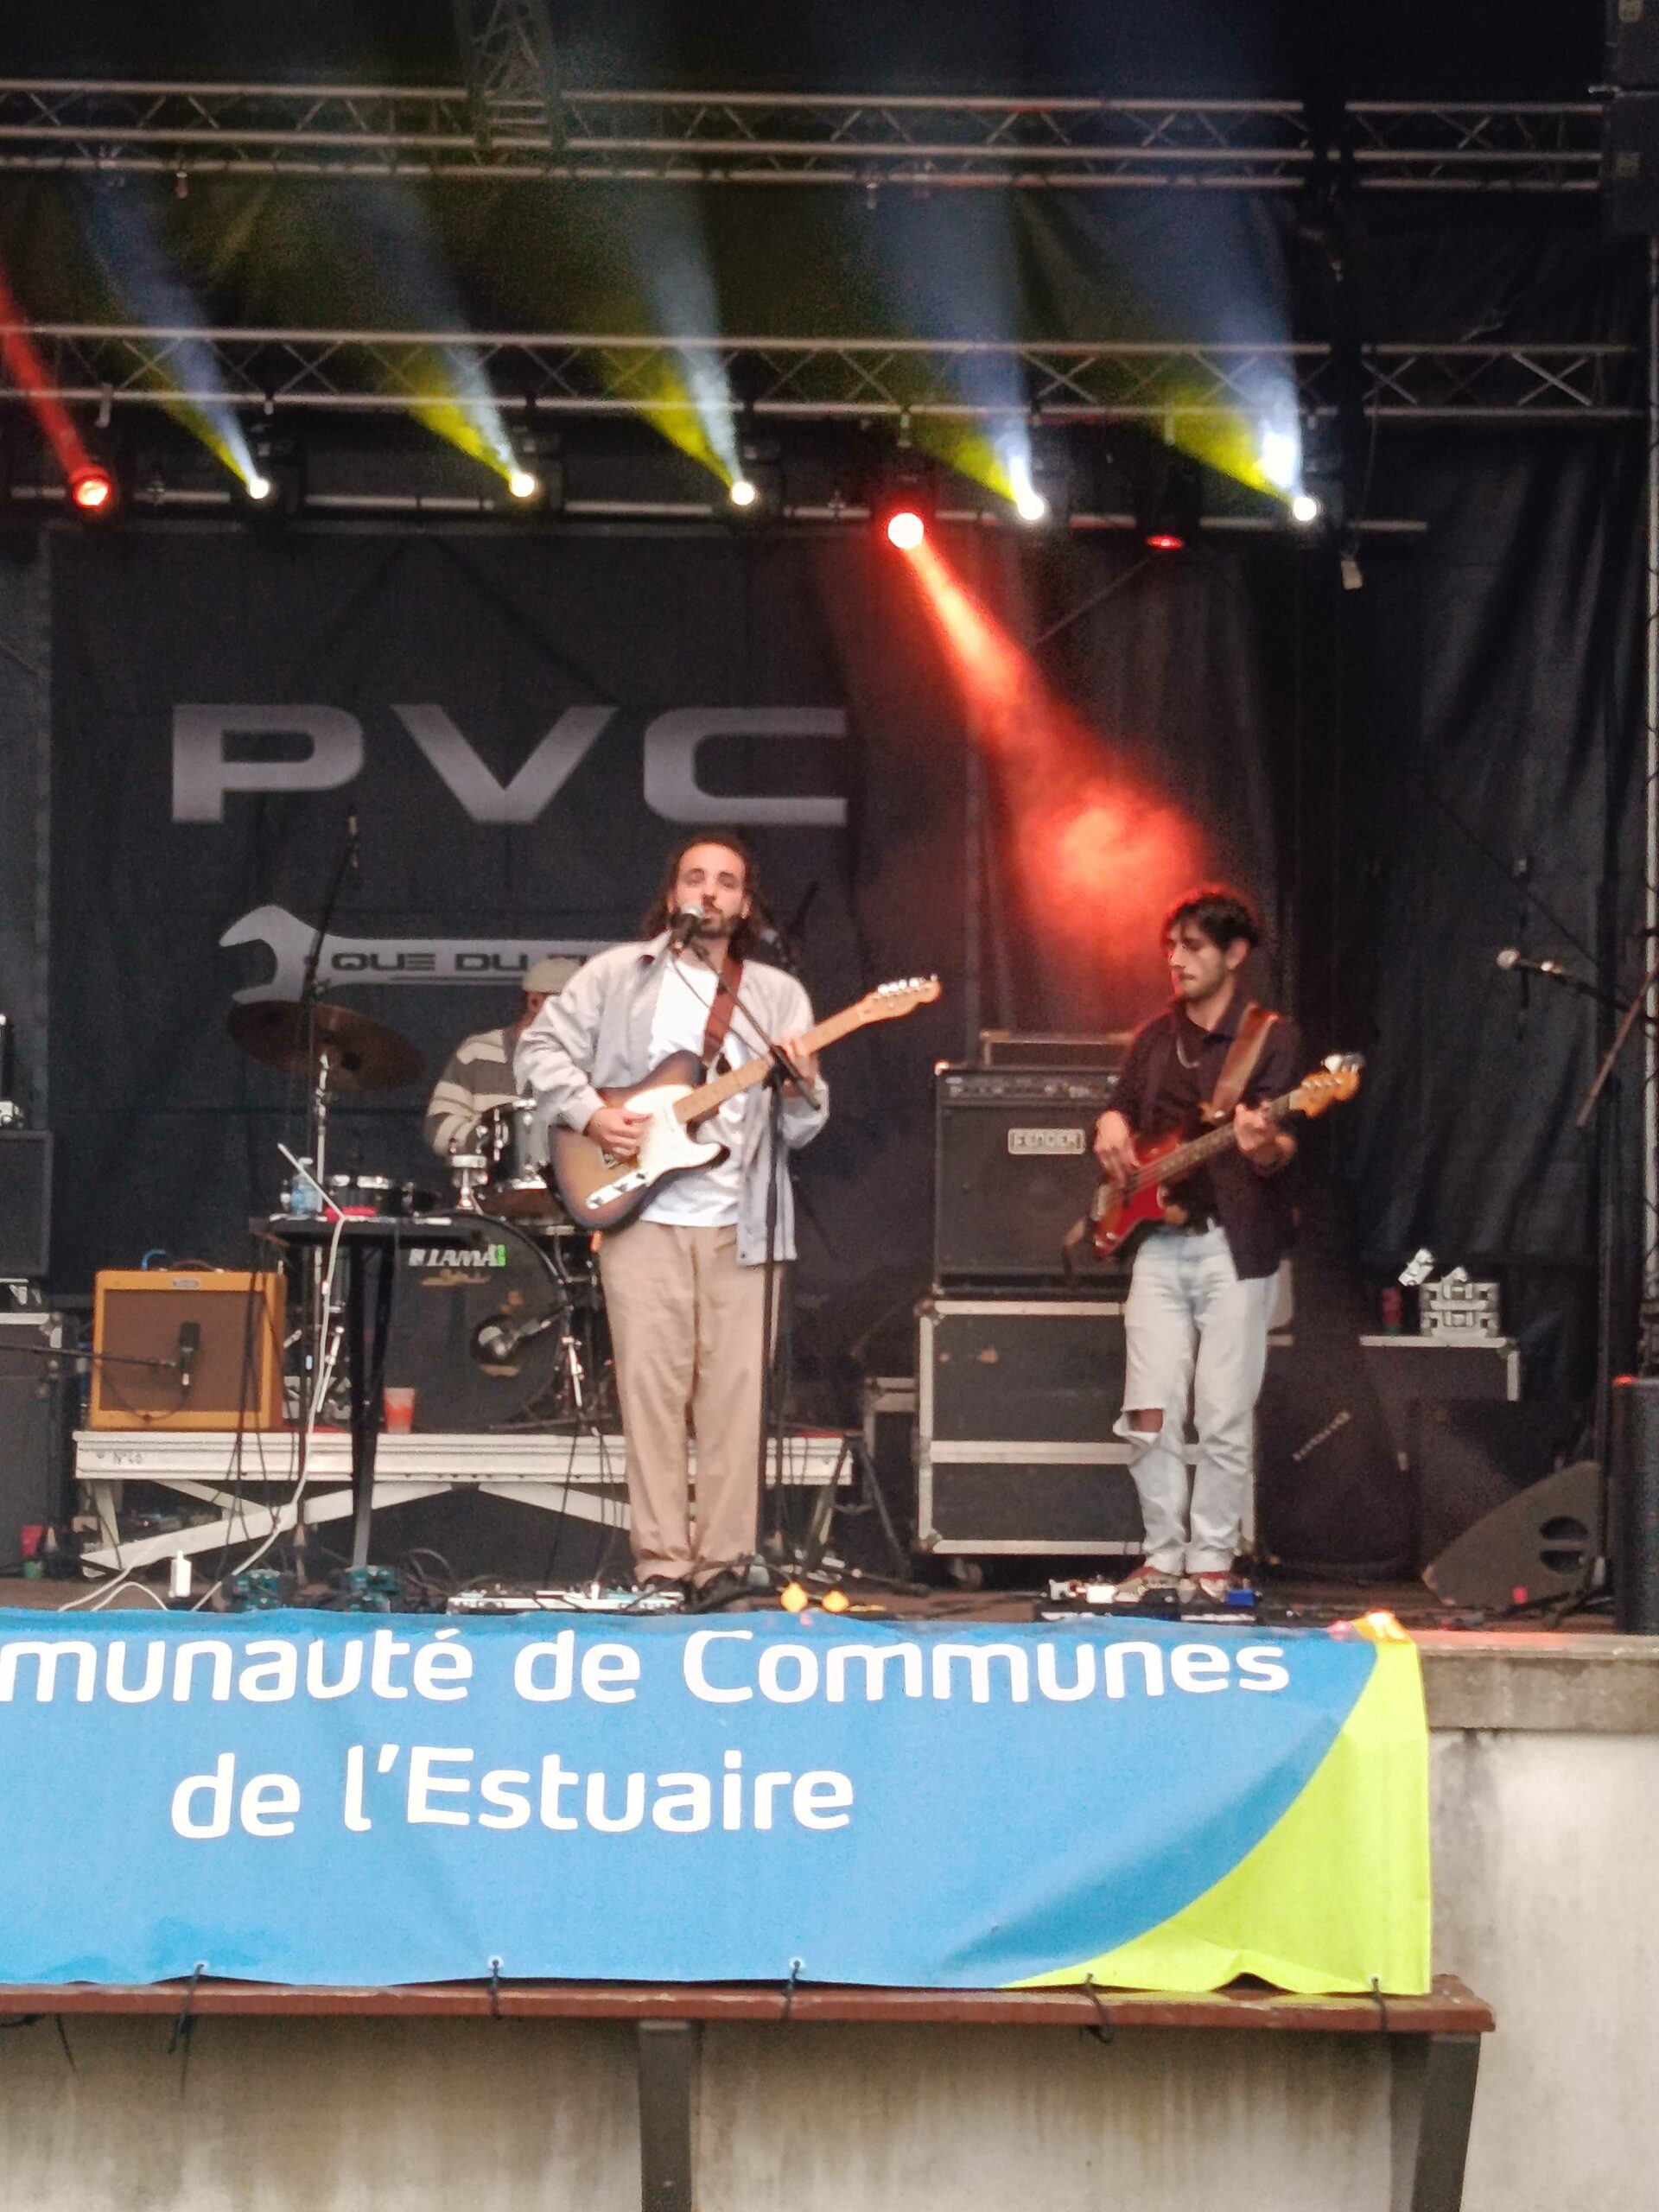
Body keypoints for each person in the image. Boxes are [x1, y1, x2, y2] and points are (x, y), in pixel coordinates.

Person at [515, 833, 828, 1610]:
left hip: (743, 1229)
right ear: (672, 895)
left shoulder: (775, 996)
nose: (710, 892)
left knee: (734, 1404)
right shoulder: (617, 974)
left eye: (727, 882)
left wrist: (800, 1088)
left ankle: (724, 1564)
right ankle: (660, 1565)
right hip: (643, 1220)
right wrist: (591, 1115)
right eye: (696, 878)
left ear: (746, 905)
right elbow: (540, 1047)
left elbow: (801, 1129)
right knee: (651, 1398)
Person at [1091, 886, 1302, 1601]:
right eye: (1170, 948)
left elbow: (1282, 1152)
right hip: (1157, 1245)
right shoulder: (1156, 1037)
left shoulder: (1271, 1038)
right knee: (1146, 1410)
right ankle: (1161, 1554)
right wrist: (1109, 1125)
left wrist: (1262, 1142)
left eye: (1193, 947)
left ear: (1234, 954)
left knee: (1222, 1413)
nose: (1175, 960)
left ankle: (1212, 1559)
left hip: (1233, 1247)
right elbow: (1121, 1108)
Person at [423, 956, 578, 1160]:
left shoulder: (592, 1060)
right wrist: (501, 1139)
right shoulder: (478, 1052)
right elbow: (438, 1127)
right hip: (493, 1177)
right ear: (534, 1002)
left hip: (574, 1177)